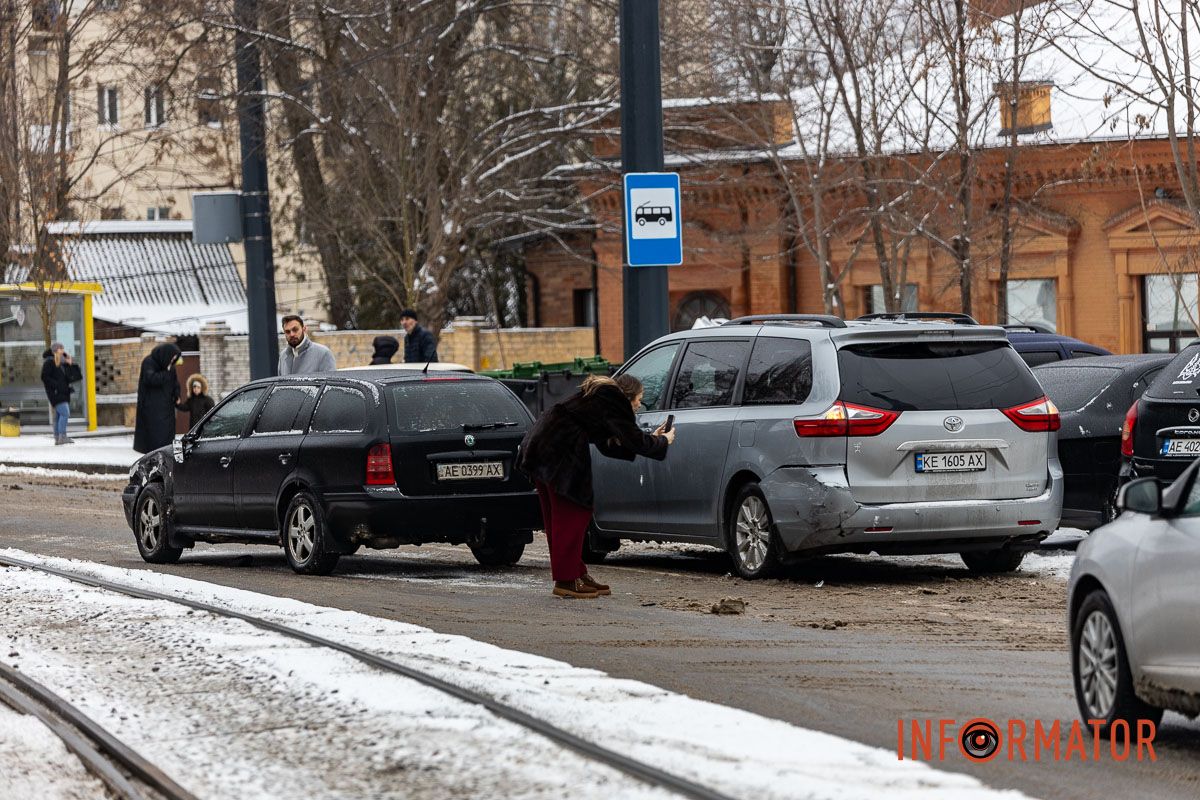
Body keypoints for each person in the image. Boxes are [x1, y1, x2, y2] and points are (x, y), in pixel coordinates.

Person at [517, 374, 675, 598]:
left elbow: (610, 445)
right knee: (573, 514)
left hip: (542, 448)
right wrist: (662, 441)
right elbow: (633, 440)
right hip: (557, 453)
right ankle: (566, 581)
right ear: (628, 396)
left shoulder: (601, 399)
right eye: (639, 399)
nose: (640, 405)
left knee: (562, 516)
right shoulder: (614, 400)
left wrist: (650, 437)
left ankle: (574, 573)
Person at [134, 343, 182, 454]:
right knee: (155, 435)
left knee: (167, 435)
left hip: (167, 407)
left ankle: (167, 452)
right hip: (152, 408)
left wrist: (177, 394)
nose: (173, 361)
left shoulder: (170, 367)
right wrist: (166, 373)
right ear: (166, 355)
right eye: (172, 358)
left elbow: (175, 383)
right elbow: (151, 379)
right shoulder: (149, 362)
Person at [40, 342, 82, 446]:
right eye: (60, 348)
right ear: (55, 350)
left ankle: (57, 438)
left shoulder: (63, 362)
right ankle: (62, 436)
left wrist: (70, 363)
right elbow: (44, 377)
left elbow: (75, 377)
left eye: (63, 348)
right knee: (65, 413)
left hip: (64, 392)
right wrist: (56, 385)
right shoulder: (49, 362)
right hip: (56, 393)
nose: (63, 350)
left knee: (59, 416)